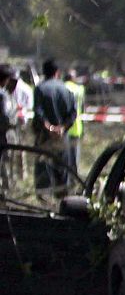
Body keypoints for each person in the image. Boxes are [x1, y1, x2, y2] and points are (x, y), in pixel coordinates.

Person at [31, 60, 78, 195]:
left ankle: (44, 201)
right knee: (62, 168)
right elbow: (73, 114)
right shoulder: (66, 90)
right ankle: (62, 197)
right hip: (62, 137)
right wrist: (62, 128)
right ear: (57, 72)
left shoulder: (40, 89)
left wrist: (49, 128)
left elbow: (39, 113)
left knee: (43, 168)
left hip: (44, 137)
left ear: (44, 72)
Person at [63, 66, 86, 175]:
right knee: (75, 157)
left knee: (64, 158)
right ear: (73, 78)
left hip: (63, 128)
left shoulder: (62, 88)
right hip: (77, 127)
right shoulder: (80, 89)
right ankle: (75, 179)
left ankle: (66, 179)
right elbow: (82, 107)